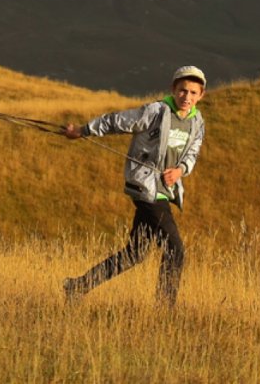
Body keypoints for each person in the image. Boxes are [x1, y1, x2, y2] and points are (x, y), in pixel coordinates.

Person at [61, 65, 207, 306]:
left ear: (201, 95)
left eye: (193, 93)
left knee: (135, 253)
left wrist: (180, 171)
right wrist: (82, 131)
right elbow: (117, 121)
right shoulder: (156, 111)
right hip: (145, 188)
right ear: (173, 89)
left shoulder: (197, 121)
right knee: (175, 249)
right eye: (182, 91)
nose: (186, 97)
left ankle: (77, 286)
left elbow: (192, 153)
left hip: (165, 191)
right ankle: (164, 310)